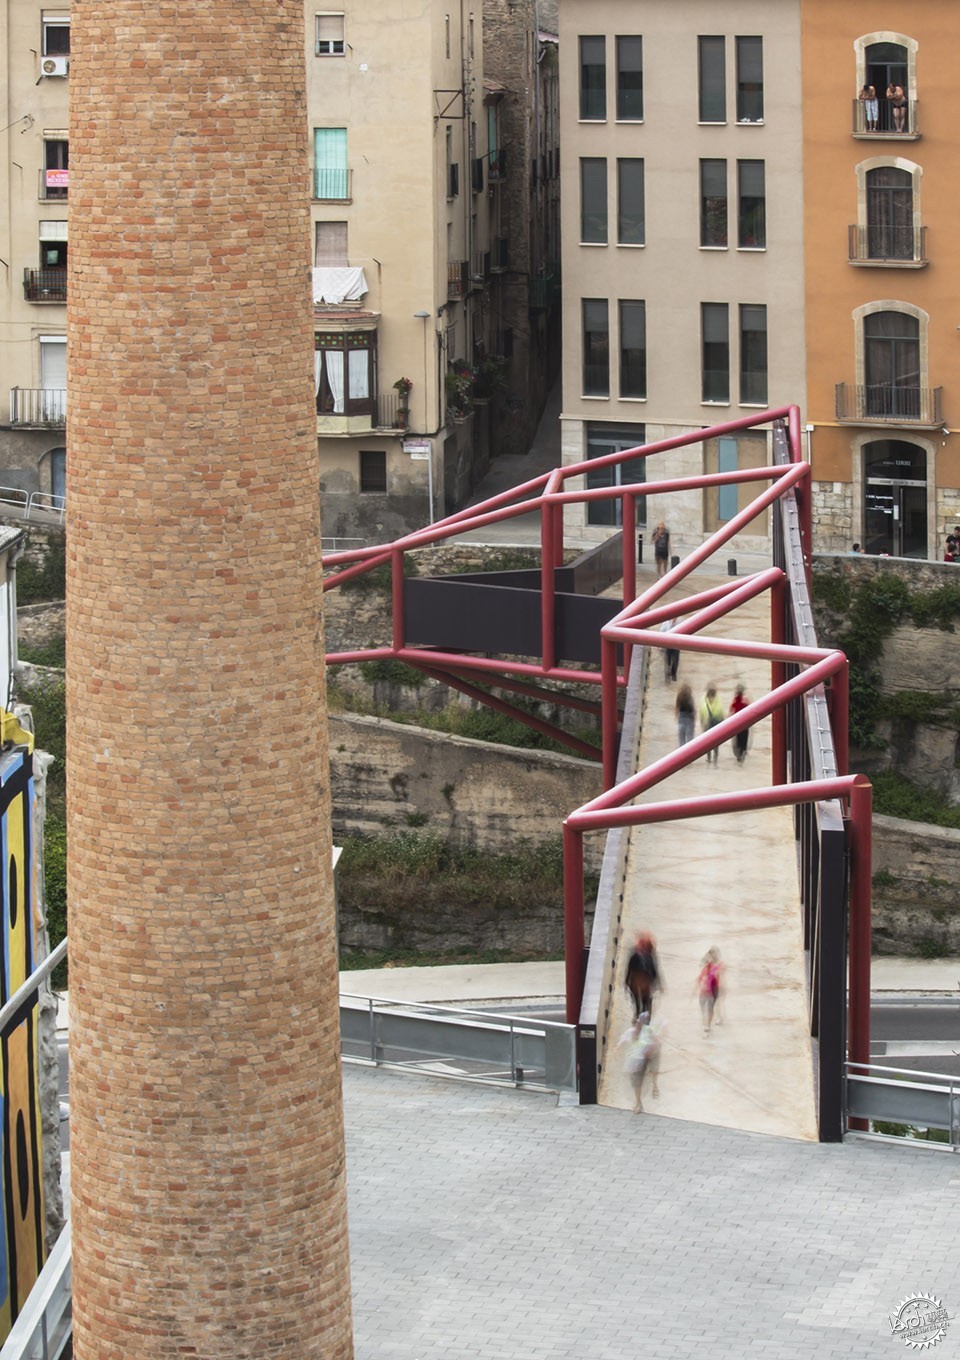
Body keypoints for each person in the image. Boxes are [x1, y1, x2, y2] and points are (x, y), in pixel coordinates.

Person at [617, 1013, 661, 1112]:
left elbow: (657, 1042)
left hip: (643, 1060)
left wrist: (651, 1048)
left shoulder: (648, 1031)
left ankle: (639, 1102)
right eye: (638, 1022)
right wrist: (618, 1048)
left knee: (638, 1081)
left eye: (641, 1023)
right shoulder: (631, 1031)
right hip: (633, 1061)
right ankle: (639, 1100)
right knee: (635, 1082)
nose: (639, 1024)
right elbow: (623, 1039)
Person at [624, 932, 662, 1021]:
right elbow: (654, 969)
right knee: (644, 1001)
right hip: (645, 981)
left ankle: (639, 1015)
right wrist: (657, 982)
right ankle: (644, 1015)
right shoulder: (648, 956)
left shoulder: (636, 955)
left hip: (637, 981)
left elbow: (630, 968)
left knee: (638, 1000)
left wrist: (626, 981)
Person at [696, 949, 724, 1035]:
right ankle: (710, 1021)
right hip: (710, 988)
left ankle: (715, 1020)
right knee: (713, 1004)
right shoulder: (708, 964)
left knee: (715, 1004)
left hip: (715, 987)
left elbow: (719, 976)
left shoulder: (717, 965)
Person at [699, 685, 724, 764]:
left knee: (707, 742)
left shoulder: (704, 700)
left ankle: (709, 758)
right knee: (716, 742)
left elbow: (701, 712)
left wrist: (702, 722)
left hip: (707, 724)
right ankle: (715, 758)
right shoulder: (718, 700)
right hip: (716, 724)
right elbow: (721, 712)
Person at [728, 684, 749, 762]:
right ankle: (743, 752)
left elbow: (731, 711)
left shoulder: (735, 700)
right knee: (744, 740)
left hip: (737, 724)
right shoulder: (745, 700)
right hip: (745, 724)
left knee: (738, 740)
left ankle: (739, 755)